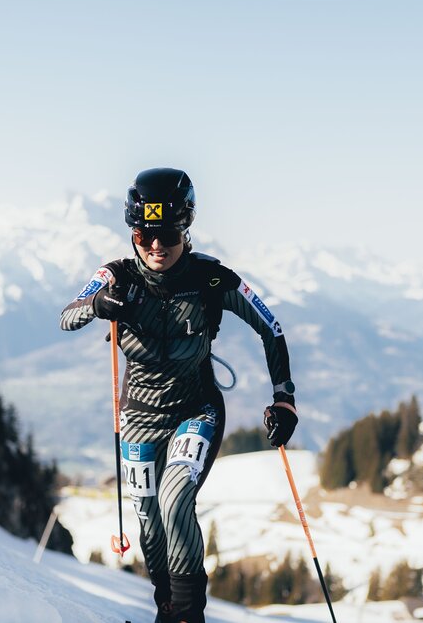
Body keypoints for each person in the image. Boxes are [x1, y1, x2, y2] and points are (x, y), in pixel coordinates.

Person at [60, 167, 298, 623]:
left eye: (167, 234)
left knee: (174, 499)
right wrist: (97, 304)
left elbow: (271, 327)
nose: (156, 245)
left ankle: (189, 615)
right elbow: (67, 316)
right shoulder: (115, 276)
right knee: (149, 520)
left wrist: (284, 398)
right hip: (138, 416)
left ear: (186, 228)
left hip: (196, 409)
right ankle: (167, 608)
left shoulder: (212, 278)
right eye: (143, 234)